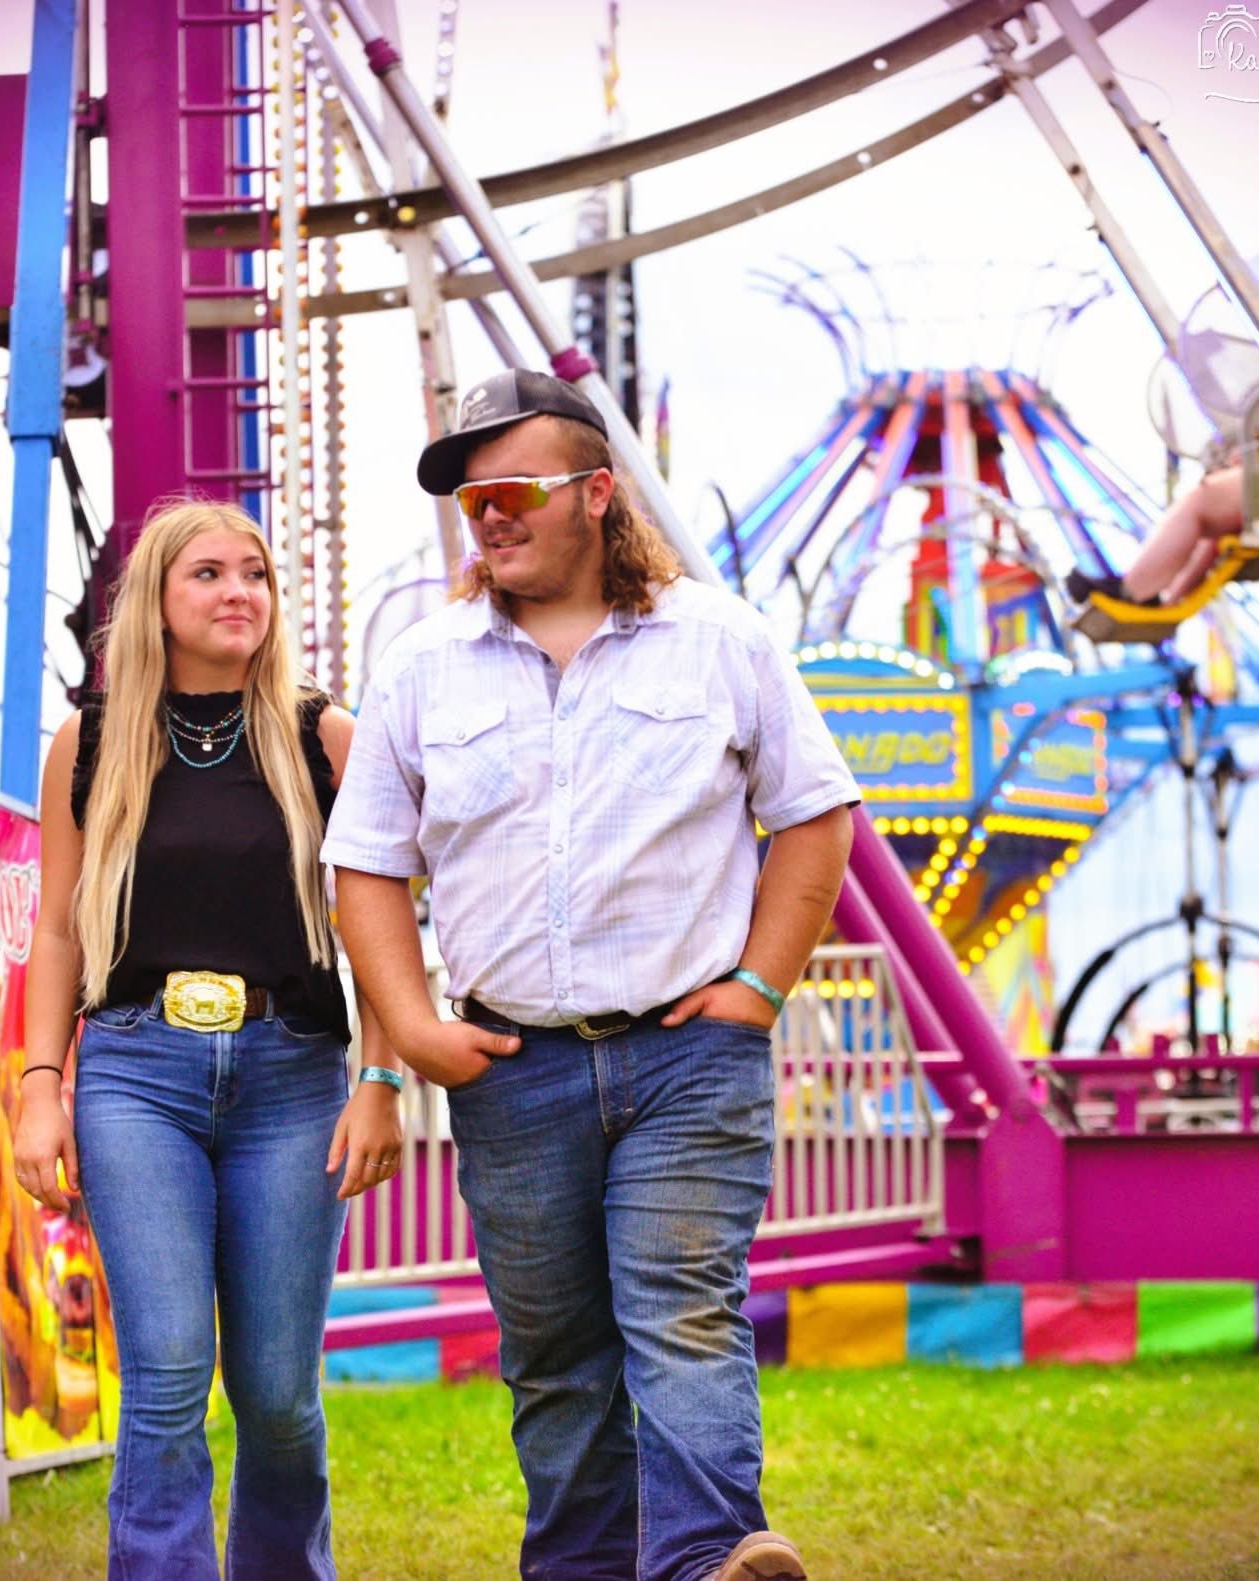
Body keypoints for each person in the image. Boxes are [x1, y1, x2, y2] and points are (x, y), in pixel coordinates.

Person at [323, 370, 860, 1581]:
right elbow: (363, 867)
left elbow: (814, 819)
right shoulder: (420, 667)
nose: (487, 515)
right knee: (557, 1361)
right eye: (470, 497)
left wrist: (757, 991)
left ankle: (708, 1563)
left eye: (511, 488)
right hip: (510, 1069)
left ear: (598, 494)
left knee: (679, 1315)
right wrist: (408, 1027)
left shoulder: (721, 641)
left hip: (687, 1057)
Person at [12, 498, 405, 1581]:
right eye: (209, 575)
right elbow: (55, 928)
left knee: (277, 1394)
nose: (239, 592)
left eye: (256, 574)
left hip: (292, 1082)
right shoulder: (88, 742)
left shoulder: (324, 738)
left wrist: (378, 1076)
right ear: (156, 601)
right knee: (170, 1373)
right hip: (136, 1077)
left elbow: (379, 927)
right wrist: (40, 1083)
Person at [1067, 294, 1259, 609]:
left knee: (1199, 501)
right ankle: (1166, 599)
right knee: (1211, 531)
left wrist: (1255, 453)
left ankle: (1130, 589)